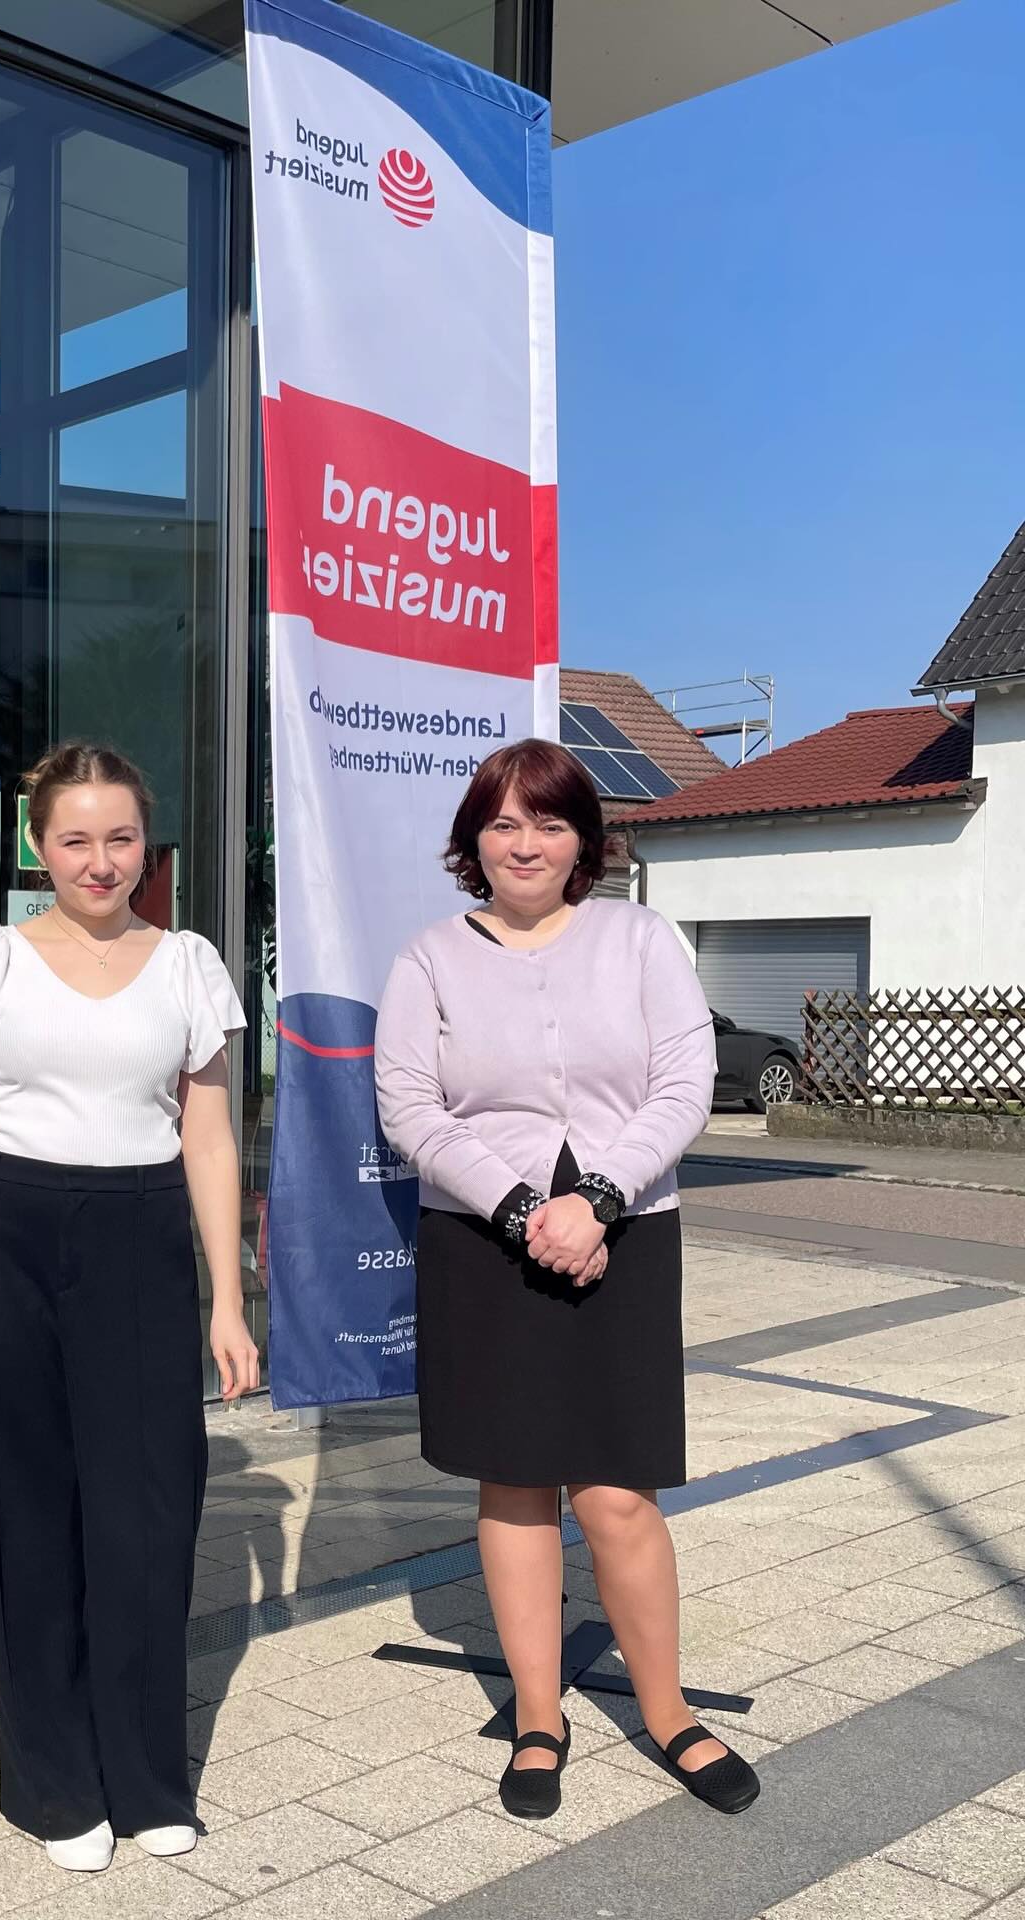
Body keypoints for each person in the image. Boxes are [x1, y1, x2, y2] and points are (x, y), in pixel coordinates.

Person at [374, 738, 759, 1821]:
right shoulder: (428, 959)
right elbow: (409, 1107)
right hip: (481, 1245)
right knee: (514, 1483)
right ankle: (538, 1716)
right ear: (473, 843)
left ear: (584, 838)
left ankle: (669, 1711)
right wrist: (515, 1208)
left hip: (624, 1233)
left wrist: (596, 1198)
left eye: (546, 821)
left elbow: (685, 1083)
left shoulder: (638, 939)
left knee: (616, 1493)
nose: (524, 842)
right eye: (501, 823)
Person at [0, 741, 259, 1874]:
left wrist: (226, 1297)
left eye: (119, 839)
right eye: (74, 839)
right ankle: (54, 1785)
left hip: (141, 1238)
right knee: (27, 1515)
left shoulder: (191, 963)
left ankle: (148, 1775)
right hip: (3, 1234)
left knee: (148, 1519)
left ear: (144, 845)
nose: (99, 862)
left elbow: (208, 1135)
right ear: (37, 847)